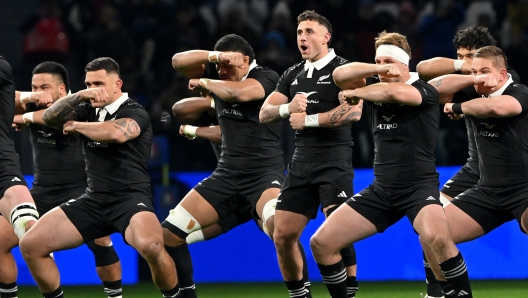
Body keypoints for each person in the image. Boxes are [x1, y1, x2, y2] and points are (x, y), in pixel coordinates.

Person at [309, 31, 473, 298]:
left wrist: (356, 92)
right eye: (378, 61)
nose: (382, 68)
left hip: (419, 189)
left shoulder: (424, 89)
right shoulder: (375, 84)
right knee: (321, 242)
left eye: (388, 61)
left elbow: (393, 92)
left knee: (439, 239)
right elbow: (339, 75)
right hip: (382, 190)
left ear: (403, 63)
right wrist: (377, 69)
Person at [19, 57, 180, 298]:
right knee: (31, 245)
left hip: (130, 200)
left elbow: (116, 133)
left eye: (99, 84)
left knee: (152, 246)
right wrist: (80, 96)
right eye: (89, 84)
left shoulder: (135, 111)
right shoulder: (86, 108)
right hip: (93, 200)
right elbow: (51, 117)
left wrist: (77, 126)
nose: (93, 89)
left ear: (117, 85)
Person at [164, 34, 297, 298]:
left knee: (281, 232)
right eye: (219, 66)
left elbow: (244, 92)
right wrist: (215, 58)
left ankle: (301, 294)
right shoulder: (220, 86)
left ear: (245, 60)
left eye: (228, 65)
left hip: (263, 176)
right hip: (226, 177)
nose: (222, 71)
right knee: (166, 236)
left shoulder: (267, 77)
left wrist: (205, 82)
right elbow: (178, 63)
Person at [259, 10, 362, 298]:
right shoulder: (292, 73)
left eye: (309, 32)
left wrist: (309, 120)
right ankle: (300, 295)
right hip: (300, 165)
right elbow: (264, 112)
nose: (302, 38)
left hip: (334, 161)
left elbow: (354, 112)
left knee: (338, 233)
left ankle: (347, 293)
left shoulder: (344, 70)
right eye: (299, 33)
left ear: (326, 37)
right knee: (282, 236)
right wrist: (287, 109)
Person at [416, 25, 521, 298]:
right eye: (464, 58)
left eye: (476, 60)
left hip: (520, 182)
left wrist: (460, 107)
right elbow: (426, 74)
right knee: (429, 226)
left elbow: (497, 106)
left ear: (500, 69)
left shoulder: (511, 84)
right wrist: (463, 68)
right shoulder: (469, 80)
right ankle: (440, 292)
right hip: (480, 173)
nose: (472, 67)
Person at [11, 61, 123, 298]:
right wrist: (26, 105)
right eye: (34, 87)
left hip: (79, 191)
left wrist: (24, 118)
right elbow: (6, 104)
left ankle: (115, 295)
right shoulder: (32, 105)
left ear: (62, 89)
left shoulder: (80, 107)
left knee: (101, 242)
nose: (38, 93)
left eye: (44, 87)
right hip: (40, 193)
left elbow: (54, 118)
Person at [0, 56, 39, 298]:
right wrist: (29, 97)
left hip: (2, 167)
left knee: (31, 232)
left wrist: (28, 98)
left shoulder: (2, 65)